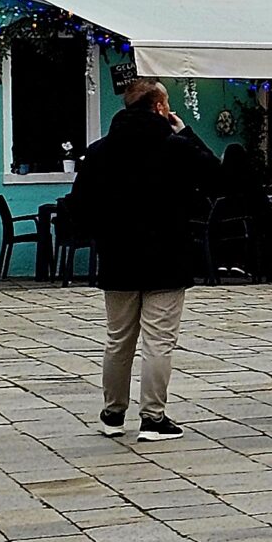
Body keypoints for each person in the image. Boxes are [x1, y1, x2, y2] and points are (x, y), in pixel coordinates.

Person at [67, 78, 218, 445]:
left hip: (118, 256)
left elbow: (80, 205)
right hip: (168, 256)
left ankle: (113, 412)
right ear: (160, 107)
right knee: (158, 342)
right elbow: (218, 177)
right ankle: (153, 417)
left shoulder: (99, 151)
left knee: (118, 339)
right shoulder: (175, 147)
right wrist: (188, 134)